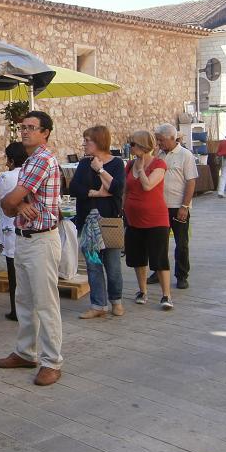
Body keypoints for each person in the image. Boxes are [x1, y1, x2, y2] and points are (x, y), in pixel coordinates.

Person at [0, 111, 63, 387]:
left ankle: (52, 361)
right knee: (23, 299)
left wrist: (14, 203)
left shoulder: (41, 160)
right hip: (26, 237)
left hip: (41, 240)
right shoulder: (31, 160)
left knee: (45, 303)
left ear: (45, 132)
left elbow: (6, 201)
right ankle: (26, 352)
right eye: (23, 127)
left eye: (31, 128)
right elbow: (11, 202)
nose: (24, 132)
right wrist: (19, 204)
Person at [68, 125, 126, 319]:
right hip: (88, 222)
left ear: (99, 142)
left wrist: (100, 169)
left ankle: (116, 301)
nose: (84, 144)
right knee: (93, 265)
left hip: (109, 221)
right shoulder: (84, 164)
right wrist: (95, 193)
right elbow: (75, 188)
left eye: (88, 141)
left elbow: (117, 189)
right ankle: (98, 304)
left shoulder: (116, 164)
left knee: (113, 264)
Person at [124, 130, 173, 310]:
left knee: (159, 258)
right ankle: (142, 290)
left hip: (156, 219)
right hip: (134, 219)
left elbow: (148, 185)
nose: (131, 147)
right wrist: (124, 209)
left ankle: (166, 295)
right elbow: (126, 189)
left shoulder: (159, 164)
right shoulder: (129, 165)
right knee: (137, 258)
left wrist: (141, 169)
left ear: (143, 146)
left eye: (133, 144)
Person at [0, 141, 28, 321]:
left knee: (13, 270)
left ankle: (16, 309)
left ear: (11, 159)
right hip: (26, 227)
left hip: (10, 228)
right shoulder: (29, 175)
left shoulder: (6, 177)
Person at [149, 123, 197, 290]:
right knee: (158, 242)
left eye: (161, 140)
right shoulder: (159, 155)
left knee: (181, 242)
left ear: (171, 138)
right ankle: (158, 271)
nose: (159, 143)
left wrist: (185, 206)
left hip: (178, 205)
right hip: (159, 206)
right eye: (157, 140)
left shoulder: (185, 155)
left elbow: (191, 181)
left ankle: (182, 275)